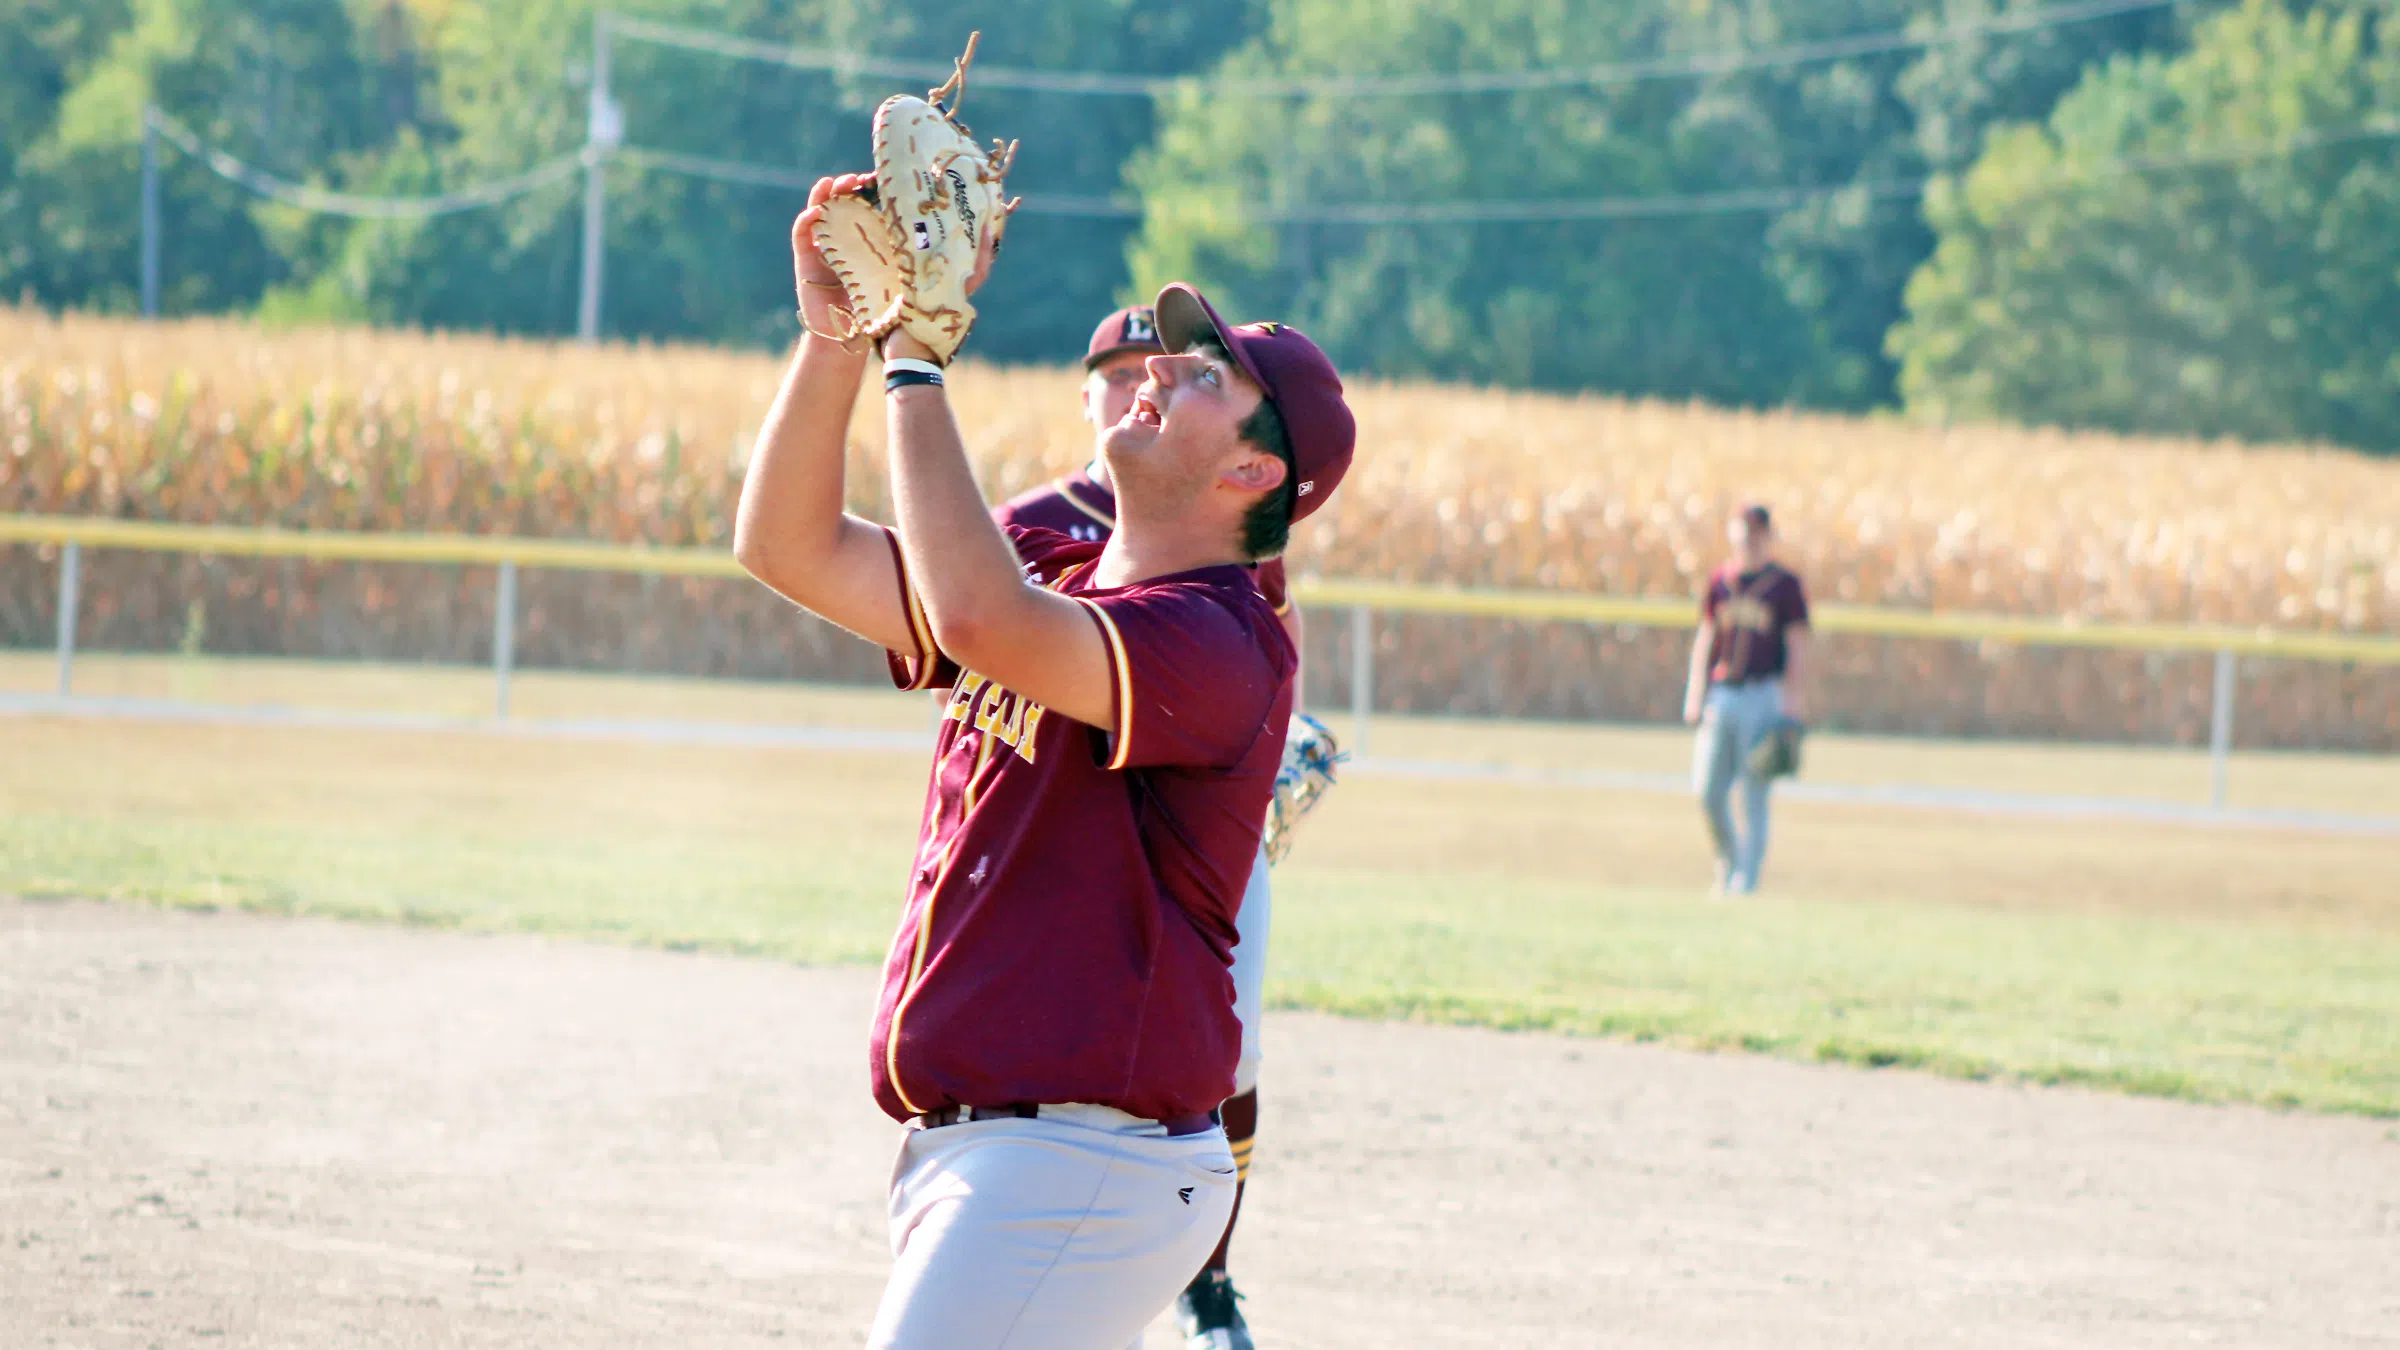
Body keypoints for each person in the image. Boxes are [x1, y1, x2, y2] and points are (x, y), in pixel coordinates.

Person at [733, 173, 1355, 1350]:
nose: (1158, 371)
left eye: (1202, 376)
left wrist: (912, 359)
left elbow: (977, 623)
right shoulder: (1048, 559)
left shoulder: (1223, 639)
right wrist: (834, 337)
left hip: (1084, 1164)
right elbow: (787, 545)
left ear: (1253, 475)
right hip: (994, 1155)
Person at [994, 306, 1303, 1350]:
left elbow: (1267, 642)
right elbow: (970, 644)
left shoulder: (1212, 515)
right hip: (1068, 831)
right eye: (1123, 367)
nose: (1149, 379)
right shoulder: (1031, 516)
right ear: (1088, 390)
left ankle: (1206, 1280)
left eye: (1169, 367)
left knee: (1237, 1049)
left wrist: (1276, 744)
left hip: (1200, 826)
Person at [1681, 503, 1811, 896]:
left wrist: (1792, 703)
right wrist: (1695, 691)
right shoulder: (1721, 580)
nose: (1750, 539)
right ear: (1733, 534)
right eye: (1744, 531)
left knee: (1753, 793)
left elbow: (1797, 645)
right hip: (1722, 694)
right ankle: (1729, 862)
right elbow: (1707, 637)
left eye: (1757, 533)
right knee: (1707, 790)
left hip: (1763, 695)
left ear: (1768, 536)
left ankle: (1745, 883)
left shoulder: (1785, 585)